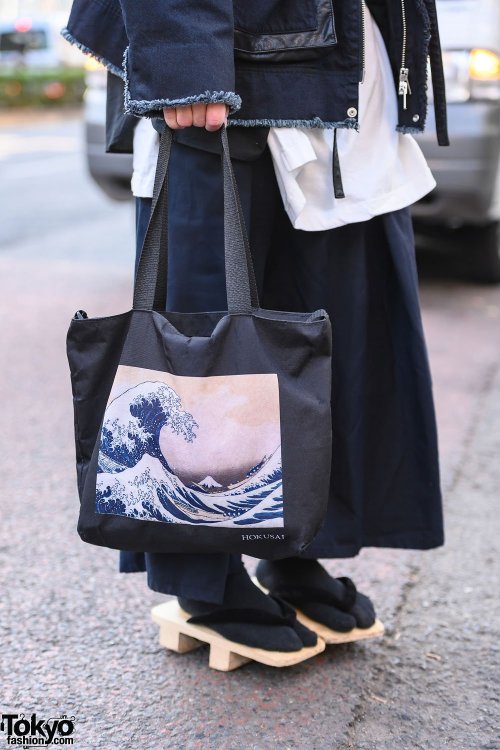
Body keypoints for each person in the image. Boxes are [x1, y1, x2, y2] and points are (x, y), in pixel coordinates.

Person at [63, 0, 448, 655]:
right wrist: (182, 58)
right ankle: (203, 579)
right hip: (236, 60)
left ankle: (295, 544)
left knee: (330, 318)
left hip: (334, 61)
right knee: (212, 325)